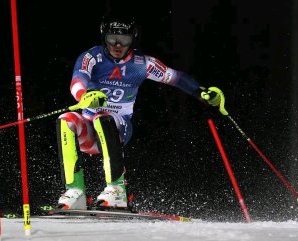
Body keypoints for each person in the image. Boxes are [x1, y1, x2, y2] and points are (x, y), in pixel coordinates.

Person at [55, 14, 225, 210]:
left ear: (133, 40)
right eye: (112, 39)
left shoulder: (142, 63)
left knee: (103, 118)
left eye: (124, 40)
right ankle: (75, 192)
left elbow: (175, 77)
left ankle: (117, 190)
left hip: (118, 127)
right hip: (89, 131)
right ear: (104, 37)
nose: (117, 45)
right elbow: (78, 79)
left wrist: (201, 92)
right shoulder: (92, 57)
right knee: (65, 120)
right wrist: (85, 94)